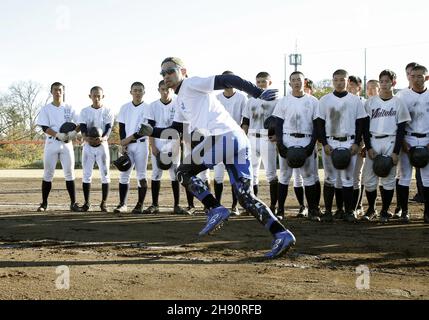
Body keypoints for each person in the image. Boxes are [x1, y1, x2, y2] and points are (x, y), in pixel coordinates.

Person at [135, 57, 296, 258]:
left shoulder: (192, 84)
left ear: (183, 71)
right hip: (237, 140)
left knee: (183, 172)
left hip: (223, 137)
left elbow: (229, 80)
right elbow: (175, 130)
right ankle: (281, 234)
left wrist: (257, 93)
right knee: (246, 198)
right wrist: (152, 130)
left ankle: (214, 208)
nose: (166, 76)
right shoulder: (180, 101)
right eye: (162, 73)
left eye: (170, 71)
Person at [317, 69, 367, 223]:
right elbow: (319, 123)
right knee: (330, 178)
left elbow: (361, 123)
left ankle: (349, 211)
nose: (339, 82)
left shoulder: (355, 100)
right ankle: (327, 212)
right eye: (336, 80)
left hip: (349, 142)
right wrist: (324, 143)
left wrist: (357, 143)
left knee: (348, 179)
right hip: (330, 142)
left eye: (342, 79)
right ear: (333, 81)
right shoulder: (324, 100)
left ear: (347, 81)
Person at [361, 70, 410, 222]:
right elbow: (364, 127)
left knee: (388, 178)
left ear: (393, 83)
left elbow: (402, 129)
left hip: (391, 140)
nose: (383, 84)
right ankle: (371, 209)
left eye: (387, 81)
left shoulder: (398, 102)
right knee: (369, 179)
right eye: (381, 81)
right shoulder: (370, 102)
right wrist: (368, 147)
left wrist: (396, 152)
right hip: (373, 140)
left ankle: (384, 210)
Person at [272, 71, 320, 221]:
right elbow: (278, 124)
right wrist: (280, 144)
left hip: (306, 139)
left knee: (309, 177)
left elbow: (317, 125)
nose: (297, 82)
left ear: (304, 82)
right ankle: (280, 210)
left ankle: (312, 210)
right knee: (284, 177)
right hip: (288, 139)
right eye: (293, 80)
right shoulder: (283, 101)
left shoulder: (313, 101)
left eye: (299, 80)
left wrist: (312, 144)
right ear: (290, 83)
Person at [144, 80, 188, 215]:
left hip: (173, 143)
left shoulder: (178, 103)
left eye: (167, 89)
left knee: (175, 174)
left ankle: (177, 205)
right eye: (162, 89)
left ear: (171, 89)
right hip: (158, 142)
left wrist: (182, 141)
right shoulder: (152, 106)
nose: (165, 92)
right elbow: (149, 128)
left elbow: (183, 124)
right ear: (158, 90)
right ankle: (154, 205)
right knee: (156, 174)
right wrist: (152, 146)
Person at [36, 82, 82, 212]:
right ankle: (44, 203)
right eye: (55, 90)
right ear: (51, 92)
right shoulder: (46, 109)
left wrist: (74, 133)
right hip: (51, 142)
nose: (58, 92)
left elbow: (80, 122)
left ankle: (73, 203)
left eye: (60, 90)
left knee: (69, 173)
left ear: (63, 92)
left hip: (66, 144)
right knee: (48, 173)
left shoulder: (69, 107)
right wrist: (58, 135)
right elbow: (44, 127)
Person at [241, 72, 279, 214]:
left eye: (264, 81)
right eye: (258, 82)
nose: (261, 84)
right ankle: (253, 205)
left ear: (270, 82)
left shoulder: (276, 101)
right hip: (251, 136)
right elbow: (245, 121)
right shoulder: (250, 100)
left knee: (271, 173)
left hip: (266, 138)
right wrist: (243, 138)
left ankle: (273, 206)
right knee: (252, 173)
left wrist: (277, 135)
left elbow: (280, 122)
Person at [396, 64, 429, 223]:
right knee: (404, 177)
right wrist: (402, 141)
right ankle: (404, 211)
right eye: (413, 76)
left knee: (428, 178)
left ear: (426, 78)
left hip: (427, 139)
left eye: (420, 76)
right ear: (409, 77)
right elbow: (399, 122)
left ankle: (427, 213)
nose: (416, 79)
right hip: (408, 138)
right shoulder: (403, 96)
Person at [214, 70, 248, 216]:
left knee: (235, 176)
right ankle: (217, 205)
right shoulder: (215, 98)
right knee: (218, 176)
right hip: (218, 140)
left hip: (235, 140)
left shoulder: (242, 98)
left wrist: (241, 139)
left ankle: (235, 206)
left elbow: (245, 121)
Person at [115, 82, 150, 214]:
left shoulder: (148, 108)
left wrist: (126, 141)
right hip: (128, 146)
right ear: (131, 92)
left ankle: (139, 204)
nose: (137, 93)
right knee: (124, 174)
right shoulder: (124, 107)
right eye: (135, 90)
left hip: (141, 144)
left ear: (144, 92)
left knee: (141, 175)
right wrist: (123, 144)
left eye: (140, 90)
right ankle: (122, 204)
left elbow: (145, 129)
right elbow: (122, 128)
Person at [78, 86, 114, 212]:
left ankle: (103, 203)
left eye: (99, 95)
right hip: (88, 145)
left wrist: (103, 138)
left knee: (105, 174)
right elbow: (82, 126)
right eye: (94, 95)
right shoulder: (84, 111)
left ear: (102, 96)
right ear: (90, 96)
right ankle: (87, 203)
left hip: (102, 145)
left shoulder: (108, 110)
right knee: (86, 175)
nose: (96, 98)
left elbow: (109, 127)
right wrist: (85, 137)